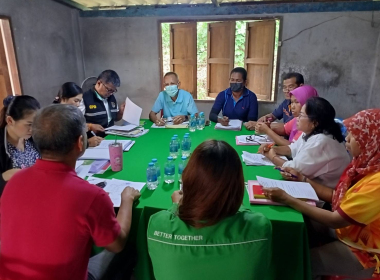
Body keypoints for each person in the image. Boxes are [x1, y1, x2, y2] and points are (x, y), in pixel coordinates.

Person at [0, 105, 141, 280]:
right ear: (81, 142)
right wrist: (126, 200)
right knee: (128, 249)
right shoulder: (91, 196)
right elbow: (116, 243)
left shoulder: (13, 183)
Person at [263, 109, 380, 279]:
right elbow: (338, 198)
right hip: (348, 230)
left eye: (354, 136)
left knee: (297, 261)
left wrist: (287, 198)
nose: (347, 138)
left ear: (371, 141)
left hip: (363, 249)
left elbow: (336, 220)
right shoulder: (364, 167)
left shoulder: (376, 183)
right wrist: (303, 179)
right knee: (298, 229)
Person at [147, 140, 271, 280]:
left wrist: (177, 206)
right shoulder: (259, 226)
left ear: (188, 180)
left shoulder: (157, 224)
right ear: (237, 184)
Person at [260, 97, 350, 189]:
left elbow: (293, 170)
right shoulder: (311, 132)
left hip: (324, 197)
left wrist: (272, 156)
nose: (297, 118)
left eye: (301, 115)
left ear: (314, 122)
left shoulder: (321, 141)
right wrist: (273, 148)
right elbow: (293, 148)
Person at [0, 95, 40, 196]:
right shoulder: (2, 146)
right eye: (29, 124)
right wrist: (4, 177)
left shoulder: (33, 138)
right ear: (10, 121)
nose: (33, 129)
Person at [54, 82, 103, 147]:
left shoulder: (69, 113)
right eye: (76, 101)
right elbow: (62, 144)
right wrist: (87, 143)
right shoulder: (55, 117)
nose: (78, 105)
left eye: (79, 101)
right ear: (64, 99)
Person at [79, 70, 125, 137]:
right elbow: (76, 123)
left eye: (113, 91)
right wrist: (90, 126)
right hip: (93, 139)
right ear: (99, 83)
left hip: (110, 136)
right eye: (109, 90)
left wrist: (121, 112)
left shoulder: (111, 97)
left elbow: (115, 118)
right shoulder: (85, 98)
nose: (111, 93)